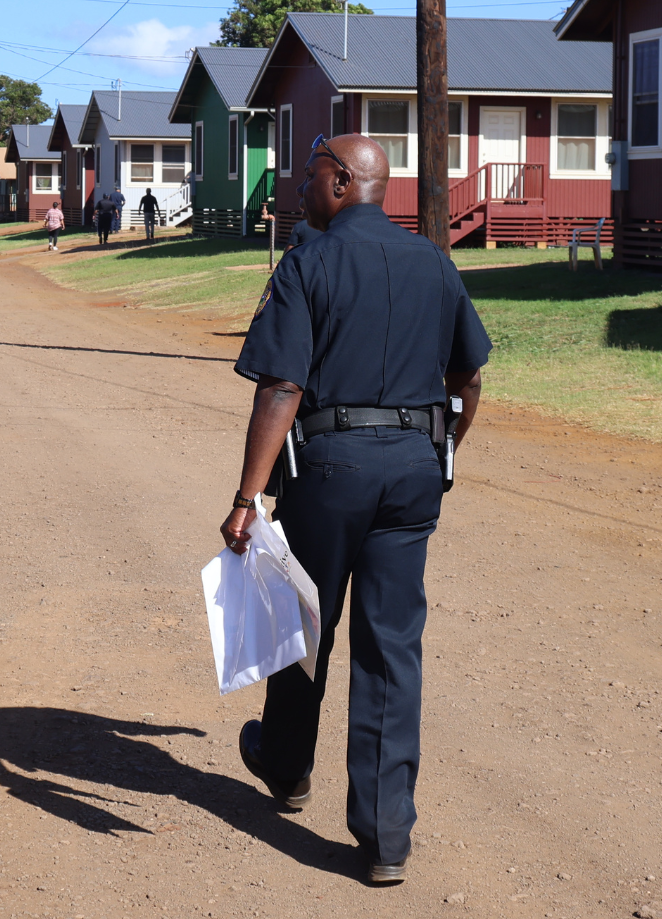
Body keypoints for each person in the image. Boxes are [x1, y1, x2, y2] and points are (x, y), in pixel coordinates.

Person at [219, 132, 490, 886]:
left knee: (307, 620)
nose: (300, 187)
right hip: (413, 467)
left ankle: (287, 768)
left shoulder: (309, 262)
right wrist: (445, 450)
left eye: (309, 176)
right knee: (392, 646)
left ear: (341, 182)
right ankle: (384, 838)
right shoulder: (434, 261)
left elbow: (281, 387)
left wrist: (247, 497)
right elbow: (469, 377)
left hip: (331, 465)